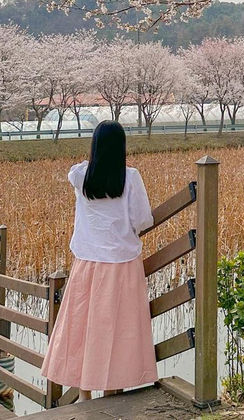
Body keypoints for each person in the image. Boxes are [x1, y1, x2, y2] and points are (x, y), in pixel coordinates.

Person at [41, 120, 158, 401]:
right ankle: (111, 390)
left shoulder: (81, 176)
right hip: (121, 263)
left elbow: (81, 170)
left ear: (94, 146)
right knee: (118, 328)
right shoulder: (130, 178)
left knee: (83, 325)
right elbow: (143, 219)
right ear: (122, 148)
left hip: (88, 262)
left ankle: (84, 395)